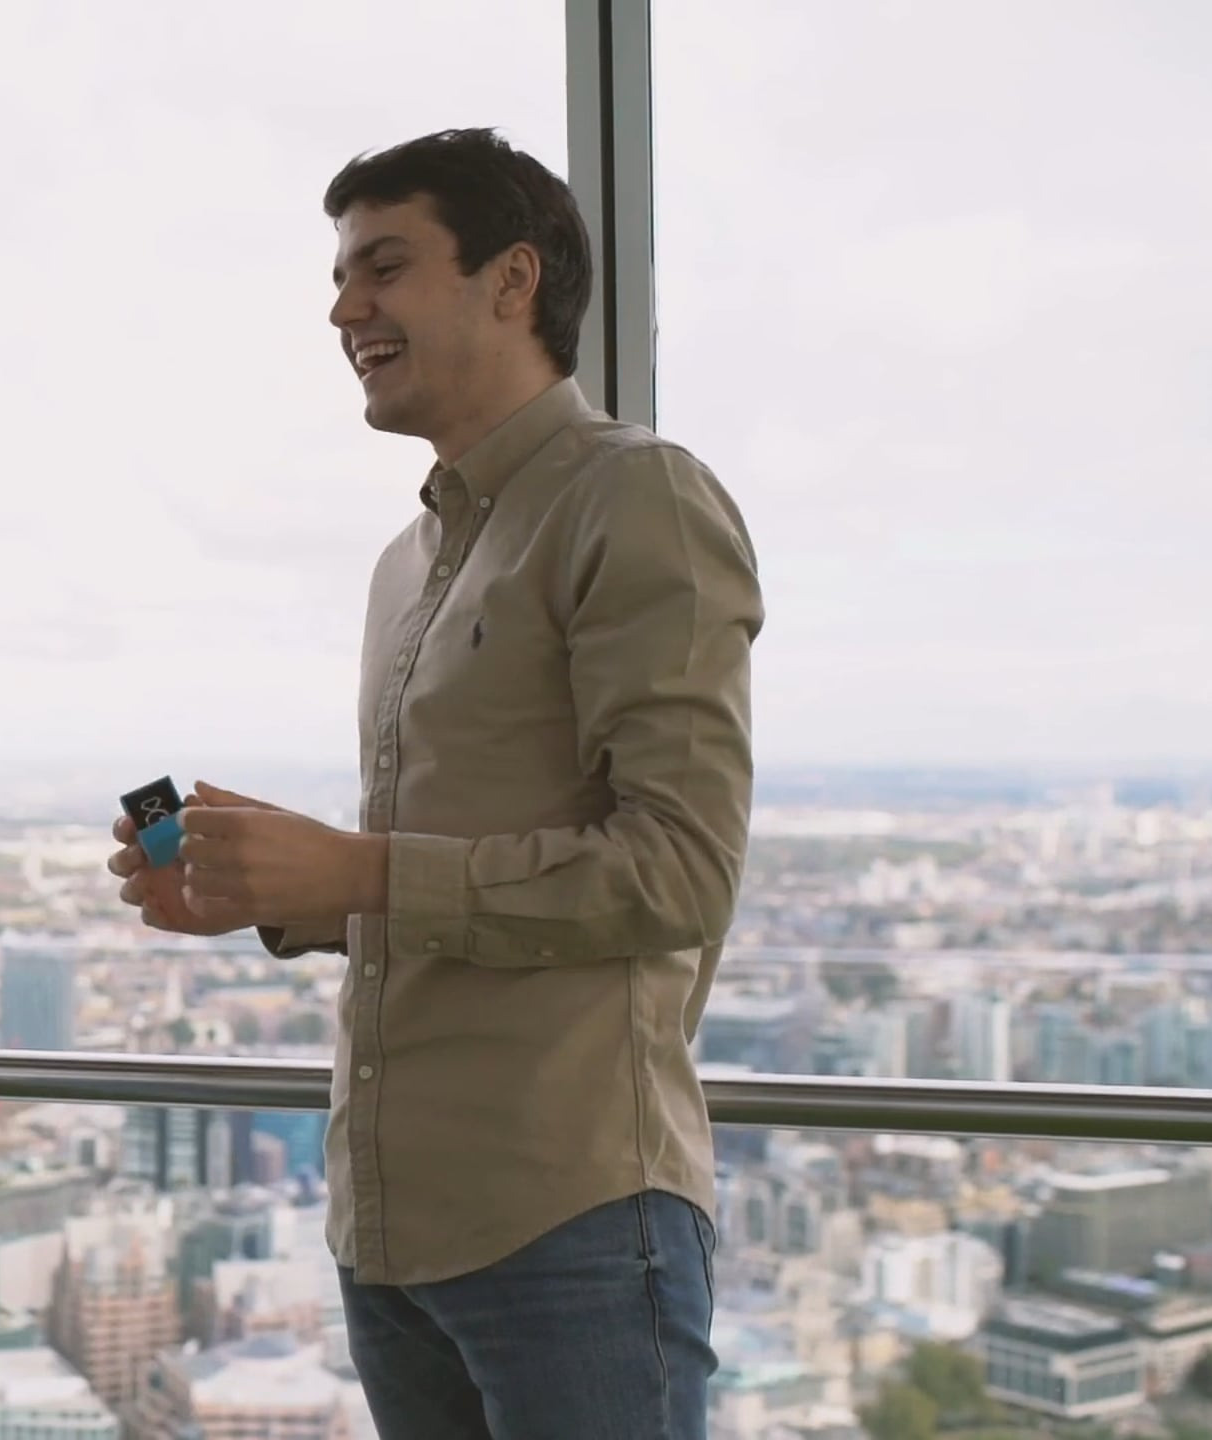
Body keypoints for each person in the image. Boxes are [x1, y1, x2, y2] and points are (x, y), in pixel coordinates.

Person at [109, 129, 763, 1439]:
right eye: (342, 278)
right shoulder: (403, 564)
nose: (345, 309)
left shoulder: (636, 499)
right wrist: (277, 885)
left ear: (513, 280)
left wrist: (355, 870)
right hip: (389, 1230)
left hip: (569, 1219)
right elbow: (440, 874)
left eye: (384, 268)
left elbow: (680, 872)